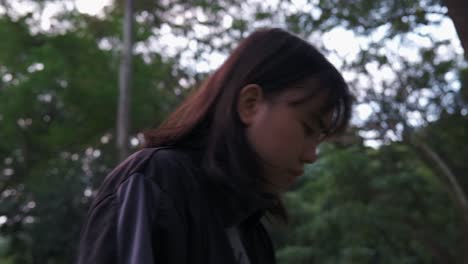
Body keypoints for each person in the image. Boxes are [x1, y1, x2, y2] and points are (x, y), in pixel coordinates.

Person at [76, 27, 352, 264]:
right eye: (307, 128)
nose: (312, 155)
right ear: (251, 104)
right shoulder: (155, 181)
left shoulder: (253, 235)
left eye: (319, 139)